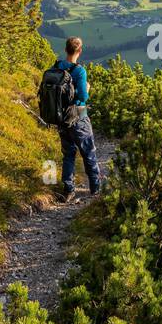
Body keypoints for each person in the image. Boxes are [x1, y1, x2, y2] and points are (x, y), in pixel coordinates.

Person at [54, 36, 101, 201]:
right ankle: (95, 190)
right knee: (88, 151)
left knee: (68, 153)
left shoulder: (57, 66)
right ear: (79, 51)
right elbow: (83, 96)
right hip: (78, 115)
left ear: (66, 49)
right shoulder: (79, 71)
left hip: (61, 117)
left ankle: (68, 189)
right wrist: (87, 88)